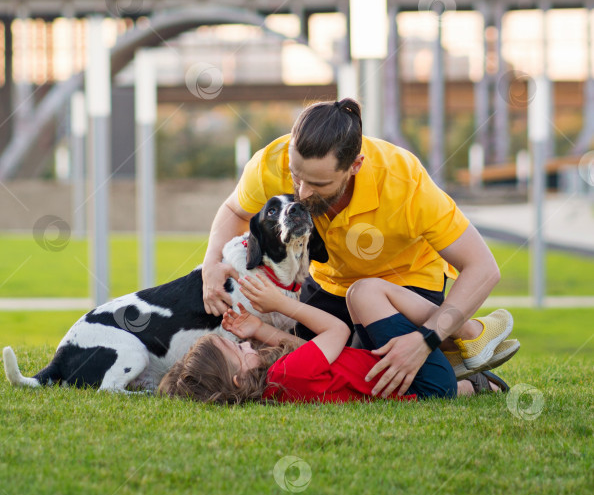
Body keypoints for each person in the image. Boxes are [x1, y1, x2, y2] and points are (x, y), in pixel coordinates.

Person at [200, 98, 510, 398]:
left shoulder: (403, 180)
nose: (303, 194)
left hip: (404, 287)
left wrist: (425, 339)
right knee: (335, 369)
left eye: (319, 185)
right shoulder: (273, 161)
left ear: (355, 165)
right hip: (329, 283)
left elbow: (483, 268)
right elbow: (234, 211)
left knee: (387, 366)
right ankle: (448, 356)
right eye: (296, 177)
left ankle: (456, 337)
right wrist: (212, 264)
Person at [158, 273, 514, 404]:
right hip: (420, 377)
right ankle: (470, 333)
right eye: (236, 349)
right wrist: (284, 305)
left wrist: (258, 330)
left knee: (362, 303)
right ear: (236, 377)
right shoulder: (286, 376)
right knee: (362, 293)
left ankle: (473, 385)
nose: (243, 344)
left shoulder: (278, 386)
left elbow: (312, 353)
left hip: (420, 387)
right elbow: (337, 333)